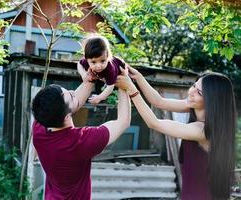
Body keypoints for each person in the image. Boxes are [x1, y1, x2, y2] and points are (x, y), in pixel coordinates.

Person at [116, 66, 237, 200]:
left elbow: (154, 123)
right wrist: (138, 77)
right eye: (193, 86)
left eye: (199, 93)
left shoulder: (203, 130)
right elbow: (158, 101)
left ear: (212, 101)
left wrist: (131, 90)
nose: (191, 92)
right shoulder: (193, 106)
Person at [31, 80, 131, 200]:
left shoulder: (40, 127)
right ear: (67, 115)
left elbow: (71, 104)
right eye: (71, 95)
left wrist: (90, 78)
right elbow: (123, 121)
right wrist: (122, 84)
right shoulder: (80, 141)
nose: (74, 92)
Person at [77, 34, 128, 104]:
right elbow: (79, 64)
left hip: (120, 71)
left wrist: (99, 97)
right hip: (102, 76)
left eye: (102, 61)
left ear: (108, 56)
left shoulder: (110, 68)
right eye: (94, 62)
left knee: (122, 87)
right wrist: (83, 74)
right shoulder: (87, 60)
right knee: (90, 79)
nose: (98, 66)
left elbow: (110, 87)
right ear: (86, 59)